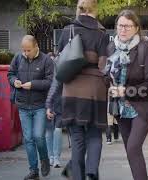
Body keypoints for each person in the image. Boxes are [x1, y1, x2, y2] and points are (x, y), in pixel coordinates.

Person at [104, 9, 148, 180]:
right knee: (132, 152)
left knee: (133, 148)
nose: (123, 29)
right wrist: (108, 83)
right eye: (120, 25)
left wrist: (127, 90)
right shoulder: (111, 47)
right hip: (120, 108)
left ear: (136, 28)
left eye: (127, 26)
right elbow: (106, 75)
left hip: (142, 107)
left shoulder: (144, 48)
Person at [57, 0, 109, 179]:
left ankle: (78, 176)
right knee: (95, 134)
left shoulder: (67, 30)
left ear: (78, 10)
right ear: (95, 10)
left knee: (77, 137)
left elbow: (61, 60)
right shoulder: (101, 33)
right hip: (95, 91)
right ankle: (91, 171)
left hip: (71, 89)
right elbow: (104, 65)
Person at [7, 35, 53, 180]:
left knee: (38, 137)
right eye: (23, 50)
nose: (25, 53)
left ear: (36, 47)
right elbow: (10, 74)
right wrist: (14, 82)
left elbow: (51, 82)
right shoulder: (18, 58)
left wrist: (33, 84)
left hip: (39, 105)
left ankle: (44, 159)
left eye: (28, 50)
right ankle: (34, 170)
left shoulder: (46, 60)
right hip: (23, 105)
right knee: (28, 139)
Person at [45, 52, 63, 168]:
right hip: (48, 103)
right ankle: (50, 156)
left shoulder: (60, 71)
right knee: (49, 131)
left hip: (60, 103)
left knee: (58, 130)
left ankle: (56, 157)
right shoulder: (46, 73)